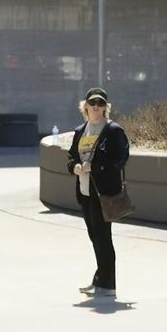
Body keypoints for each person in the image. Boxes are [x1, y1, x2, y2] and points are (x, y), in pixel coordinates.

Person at [67, 87, 130, 299]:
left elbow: (121, 158)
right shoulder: (80, 131)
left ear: (105, 108)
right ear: (85, 107)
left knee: (103, 238)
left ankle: (108, 285)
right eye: (92, 103)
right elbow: (71, 156)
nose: (96, 107)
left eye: (100, 103)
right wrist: (74, 167)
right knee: (94, 237)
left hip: (103, 193)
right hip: (85, 192)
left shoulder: (113, 130)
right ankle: (100, 280)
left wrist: (96, 167)